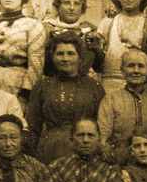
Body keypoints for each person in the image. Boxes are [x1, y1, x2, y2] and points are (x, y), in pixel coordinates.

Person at [27, 32, 106, 164]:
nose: (65, 58)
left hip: (84, 149)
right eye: (60, 54)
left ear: (79, 58)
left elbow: (102, 125)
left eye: (70, 54)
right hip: (51, 149)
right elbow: (33, 127)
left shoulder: (93, 87)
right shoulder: (43, 86)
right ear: (52, 57)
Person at [98, 49, 147, 166]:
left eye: (141, 66)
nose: (136, 71)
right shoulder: (111, 99)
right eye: (131, 66)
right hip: (121, 160)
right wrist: (105, 149)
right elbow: (103, 135)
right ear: (122, 70)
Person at [42, 0, 105, 78]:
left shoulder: (91, 30)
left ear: (82, 8)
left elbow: (99, 68)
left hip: (81, 85)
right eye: (67, 3)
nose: (72, 8)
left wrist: (97, 49)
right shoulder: (46, 28)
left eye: (77, 4)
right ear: (58, 6)